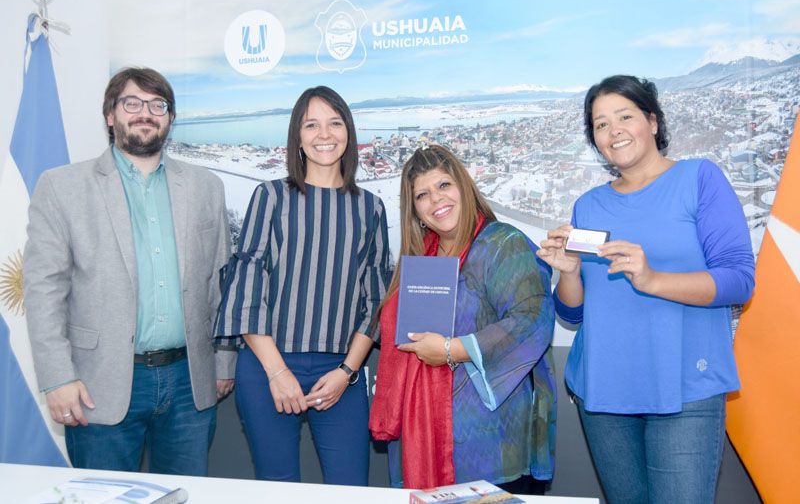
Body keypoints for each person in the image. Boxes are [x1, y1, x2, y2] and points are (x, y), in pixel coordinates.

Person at [536, 75, 755, 503]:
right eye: (600, 124)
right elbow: (575, 314)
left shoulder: (700, 179)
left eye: (624, 116)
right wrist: (568, 271)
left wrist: (652, 279)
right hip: (603, 389)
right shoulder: (588, 204)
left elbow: (739, 279)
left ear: (652, 122)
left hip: (683, 387)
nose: (613, 130)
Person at [23, 67, 235, 474]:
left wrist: (223, 364)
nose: (145, 113)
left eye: (158, 105)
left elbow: (219, 283)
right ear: (110, 115)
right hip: (97, 384)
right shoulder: (62, 187)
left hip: (189, 382)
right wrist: (56, 378)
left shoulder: (206, 186)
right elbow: (43, 290)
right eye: (132, 103)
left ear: (170, 118)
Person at [214, 86, 391, 485]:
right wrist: (278, 373)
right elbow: (247, 288)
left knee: (351, 489)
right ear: (297, 135)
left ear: (349, 132)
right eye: (311, 124)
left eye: (334, 123)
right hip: (267, 369)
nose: (323, 134)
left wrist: (347, 371)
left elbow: (375, 299)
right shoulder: (271, 197)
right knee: (278, 486)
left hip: (340, 372)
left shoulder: (370, 207)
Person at [369, 144, 556, 494]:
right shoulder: (419, 256)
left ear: (464, 187)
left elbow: (532, 319)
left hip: (492, 440)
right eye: (422, 195)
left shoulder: (503, 243)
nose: (435, 199)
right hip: (423, 433)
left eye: (443, 185)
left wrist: (451, 349)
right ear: (415, 210)